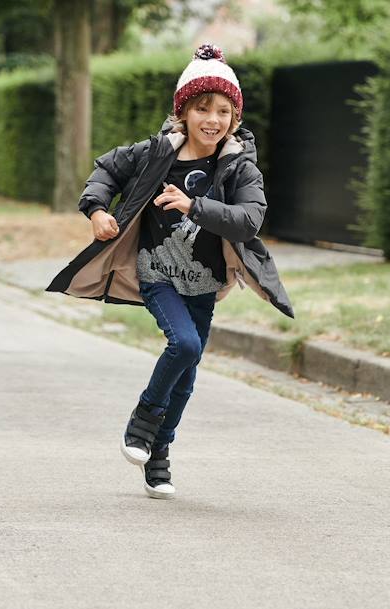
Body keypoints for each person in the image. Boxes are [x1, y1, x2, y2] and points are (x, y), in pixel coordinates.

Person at [46, 43, 294, 500]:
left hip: (204, 281)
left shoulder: (239, 165)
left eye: (223, 111)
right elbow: (106, 170)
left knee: (189, 369)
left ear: (234, 119)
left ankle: (158, 455)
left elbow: (249, 219)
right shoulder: (156, 152)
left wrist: (193, 205)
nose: (212, 120)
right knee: (184, 344)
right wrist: (97, 209)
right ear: (184, 112)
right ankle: (142, 421)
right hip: (157, 271)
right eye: (202, 108)